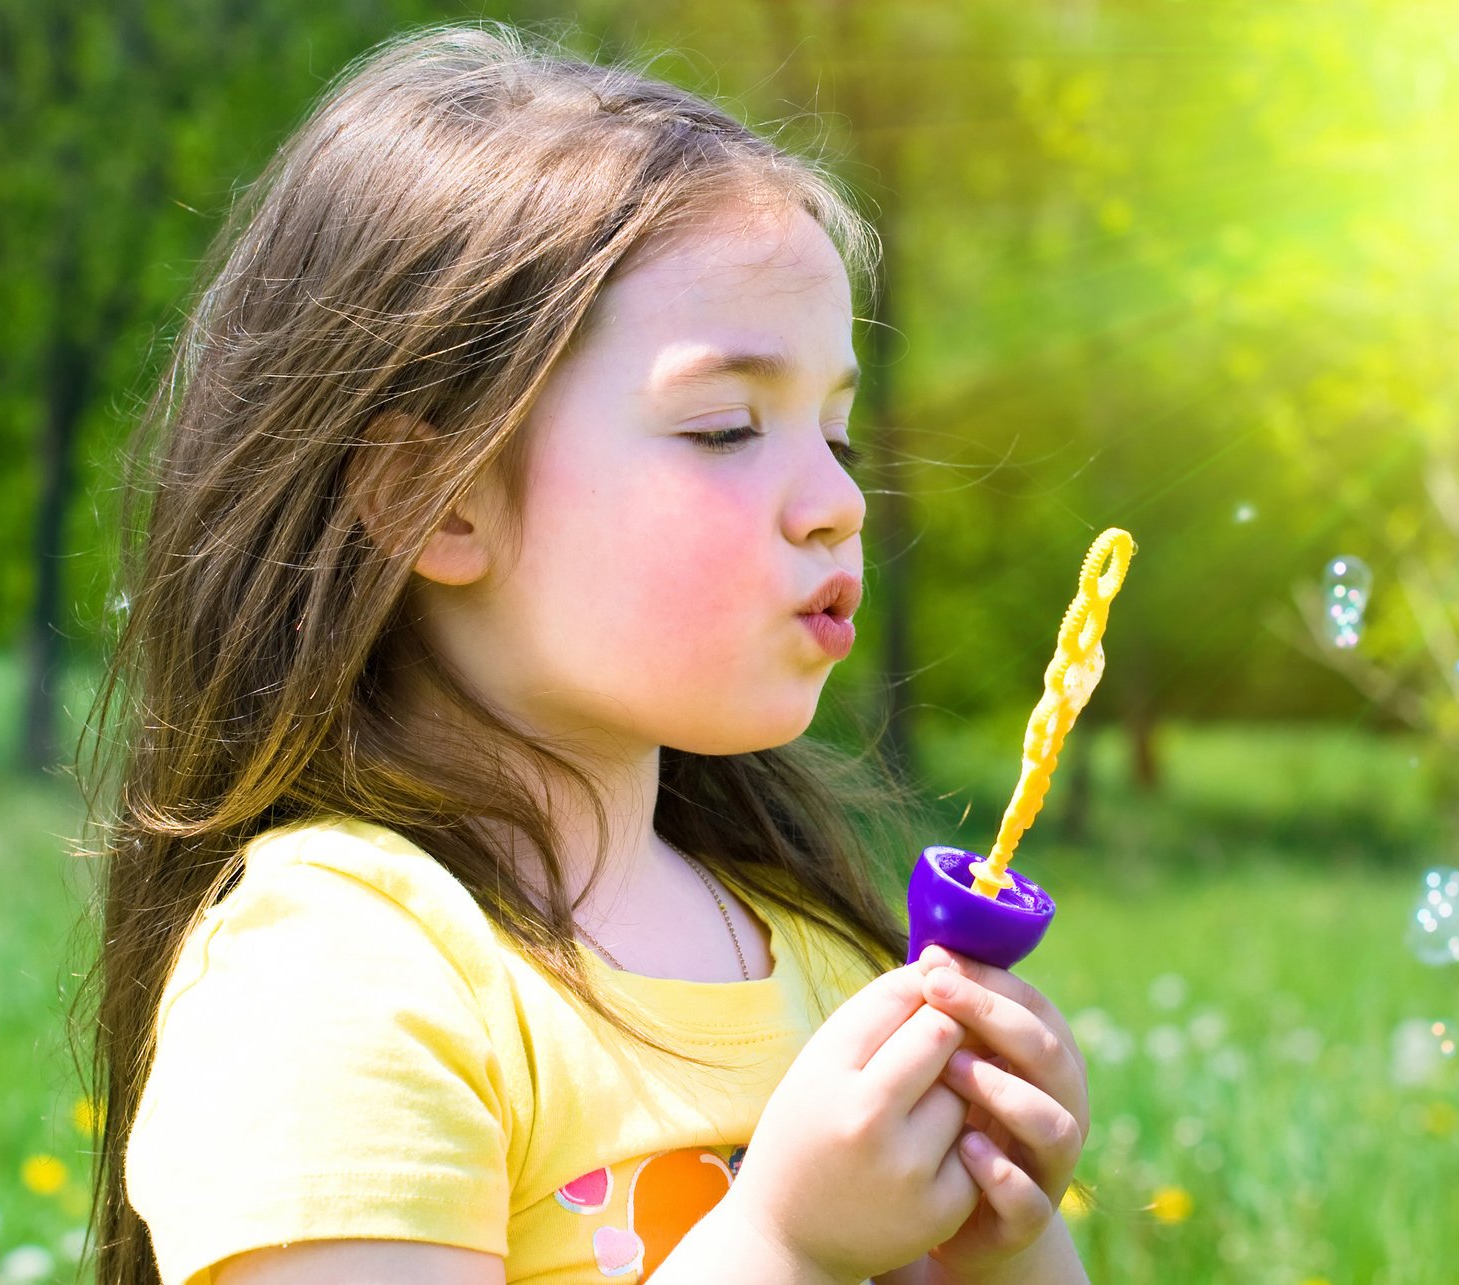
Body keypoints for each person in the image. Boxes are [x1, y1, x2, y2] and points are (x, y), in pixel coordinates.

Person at [71, 20, 1092, 1285]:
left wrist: (1005, 1233)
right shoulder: (342, 977)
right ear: (437, 498)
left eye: (836, 432)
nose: (837, 500)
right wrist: (782, 1243)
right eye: (726, 426)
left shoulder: (823, 959)